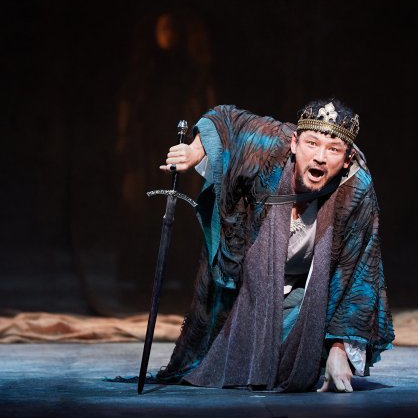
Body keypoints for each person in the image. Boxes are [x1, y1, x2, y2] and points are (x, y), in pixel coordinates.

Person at [156, 99, 394, 393]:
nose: (320, 157)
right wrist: (195, 151)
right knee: (215, 360)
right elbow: (226, 119)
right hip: (246, 286)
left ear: (347, 159)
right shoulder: (272, 148)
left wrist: (339, 350)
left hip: (307, 299)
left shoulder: (356, 190)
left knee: (290, 362)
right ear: (294, 143)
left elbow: (359, 275)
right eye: (311, 143)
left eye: (333, 150)